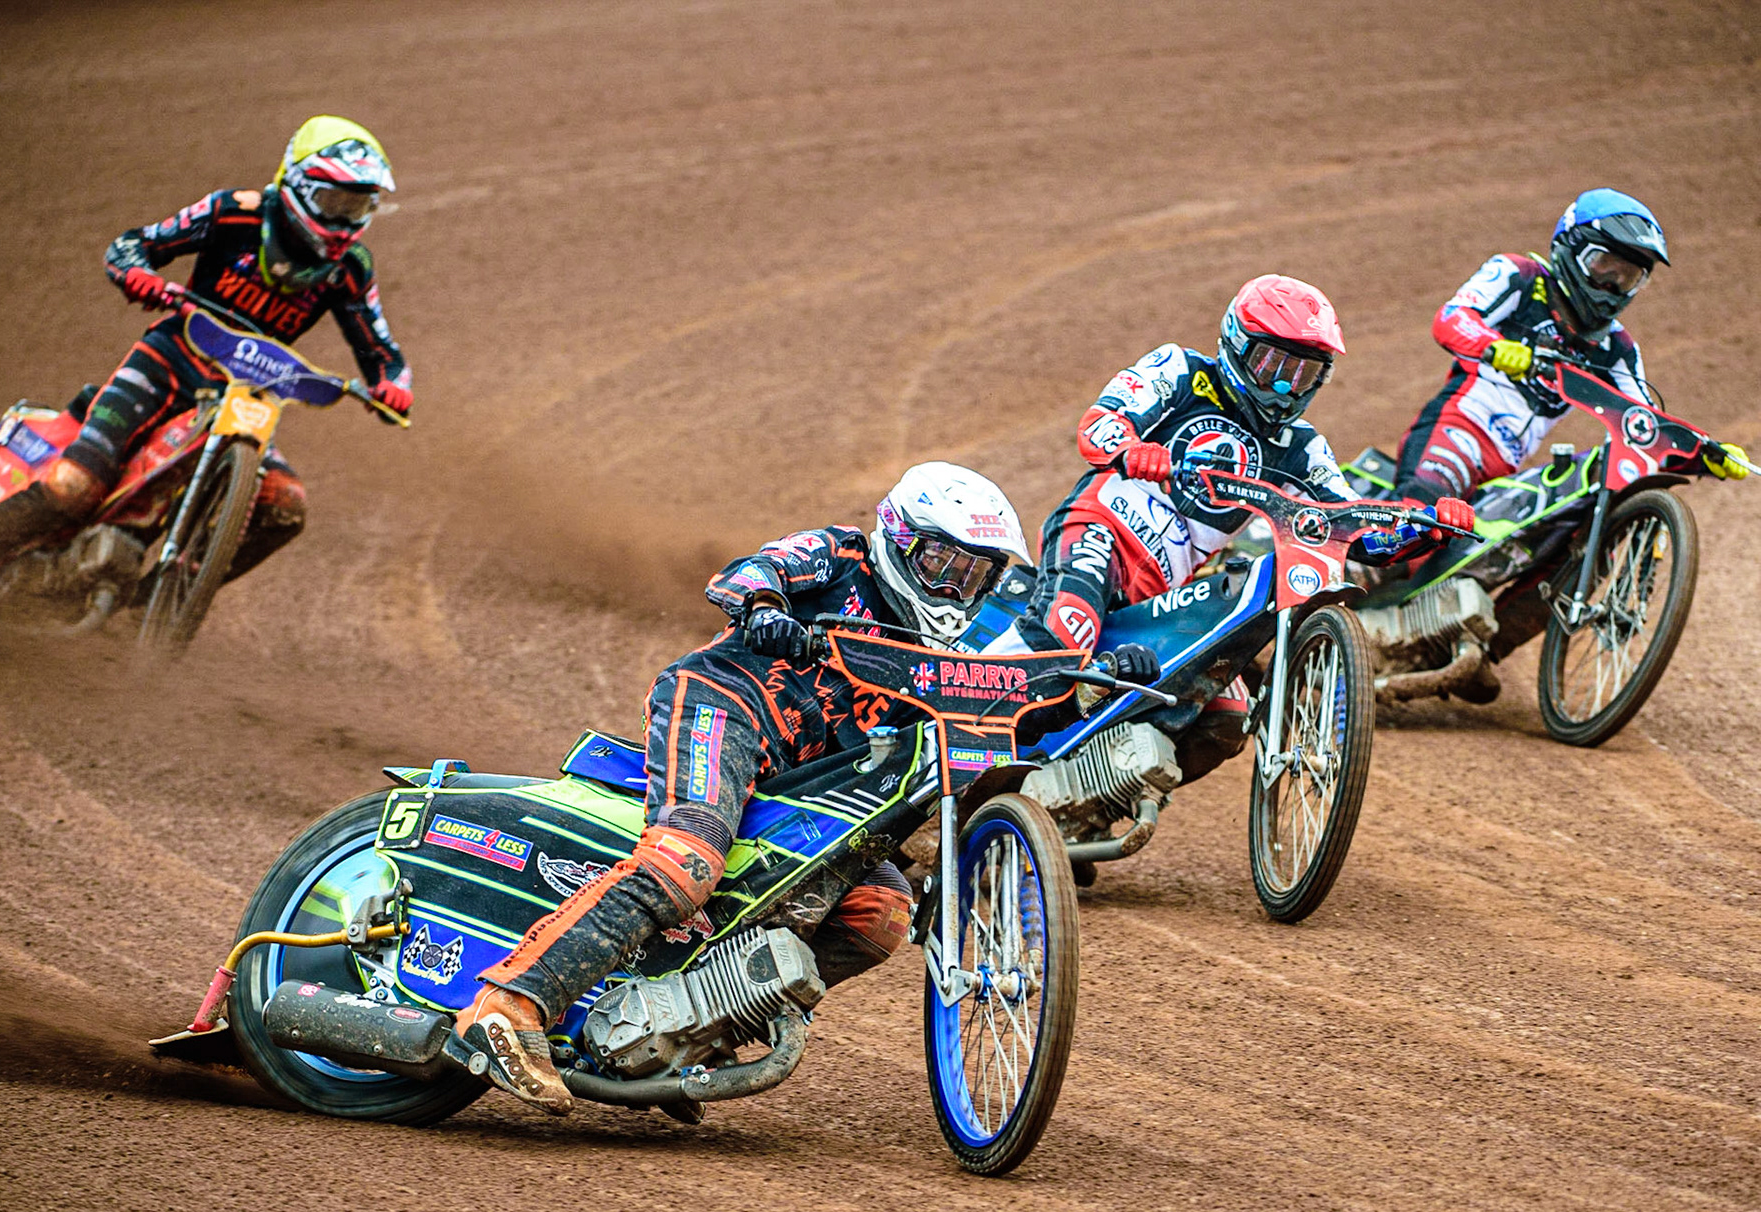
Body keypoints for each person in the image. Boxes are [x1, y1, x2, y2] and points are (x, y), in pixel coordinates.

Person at [457, 463, 1105, 1115]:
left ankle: (688, 1032)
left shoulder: (939, 660)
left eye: (975, 575)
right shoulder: (843, 556)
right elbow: (750, 570)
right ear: (901, 538)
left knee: (880, 909)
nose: (955, 588)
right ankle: (509, 1005)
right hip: (725, 704)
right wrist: (766, 611)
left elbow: (1008, 702)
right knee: (686, 860)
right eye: (943, 563)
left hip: (805, 781)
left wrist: (1090, 680)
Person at [985, 275, 1472, 781]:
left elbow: (1352, 527)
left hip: (1163, 590)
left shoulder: (1302, 447)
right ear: (1238, 344)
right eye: (1273, 365)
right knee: (1069, 624)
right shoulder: (1181, 370)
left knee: (1226, 715)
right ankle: (965, 726)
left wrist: (1425, 529)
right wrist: (1131, 449)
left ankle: (1076, 807)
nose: (1286, 387)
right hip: (1099, 529)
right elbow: (1099, 422)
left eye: (1304, 374)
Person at [0, 115, 414, 599]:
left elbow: (382, 350)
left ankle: (144, 608)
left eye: (358, 207)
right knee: (74, 486)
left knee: (285, 506)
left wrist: (392, 386)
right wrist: (137, 274)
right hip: (167, 363)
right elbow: (135, 244)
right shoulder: (232, 212)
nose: (344, 221)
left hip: (243, 399)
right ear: (298, 186)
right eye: (334, 202)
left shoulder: (351, 269)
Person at [1390, 189, 1733, 503]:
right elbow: (1451, 317)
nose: (1612, 285)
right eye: (1604, 266)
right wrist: (1495, 346)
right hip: (1458, 429)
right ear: (1571, 248)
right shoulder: (1520, 275)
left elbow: (1645, 427)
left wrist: (1706, 455)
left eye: (1628, 277)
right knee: (1421, 517)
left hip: (1509, 467)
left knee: (1578, 507)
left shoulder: (1617, 348)